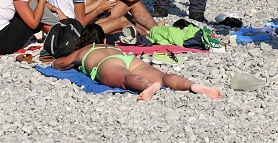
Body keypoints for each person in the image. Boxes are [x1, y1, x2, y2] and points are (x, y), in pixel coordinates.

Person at [52, 24, 223, 102]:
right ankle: (191, 85)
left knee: (126, 78)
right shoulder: (110, 45)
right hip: (127, 58)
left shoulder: (83, 50)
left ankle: (147, 86)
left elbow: (61, 64)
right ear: (103, 39)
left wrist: (57, 61)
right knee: (162, 77)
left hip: (106, 63)